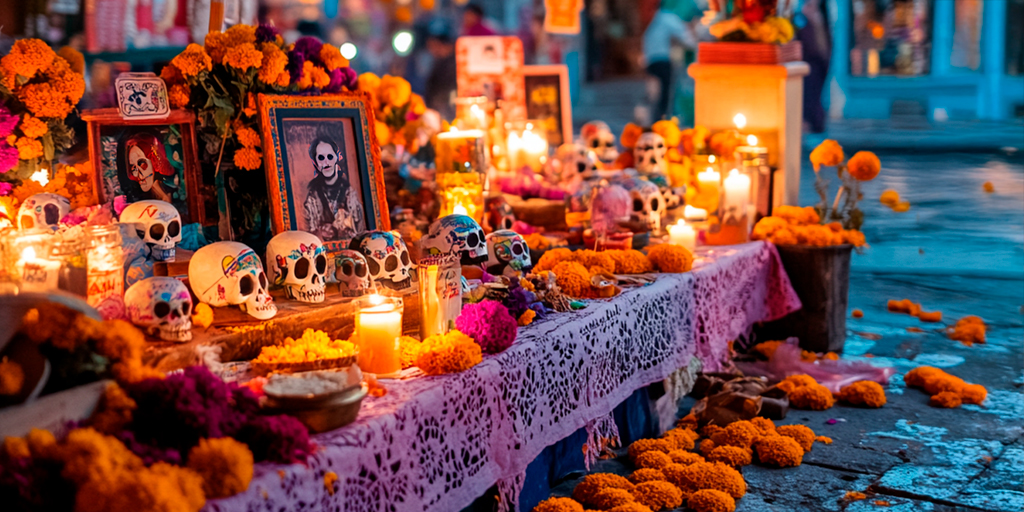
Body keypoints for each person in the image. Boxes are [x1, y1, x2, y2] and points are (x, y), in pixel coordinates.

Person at [642, 0, 697, 121]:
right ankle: (660, 120)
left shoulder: (657, 19)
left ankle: (658, 120)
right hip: (659, 61)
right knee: (662, 95)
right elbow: (686, 37)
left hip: (654, 61)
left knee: (658, 94)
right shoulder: (664, 18)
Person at [303, 135, 364, 241]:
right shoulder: (312, 198)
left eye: (330, 157)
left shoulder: (350, 192)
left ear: (337, 157)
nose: (326, 162)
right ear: (316, 163)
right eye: (321, 158)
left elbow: (360, 229)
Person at [796, 0, 831, 134]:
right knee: (809, 95)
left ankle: (817, 125)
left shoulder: (822, 14)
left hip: (821, 62)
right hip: (809, 63)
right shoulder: (801, 16)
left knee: (817, 95)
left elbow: (825, 38)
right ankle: (808, 124)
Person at [425, 19, 458, 120]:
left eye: (431, 45)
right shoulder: (438, 62)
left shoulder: (455, 63)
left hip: (449, 116)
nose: (430, 50)